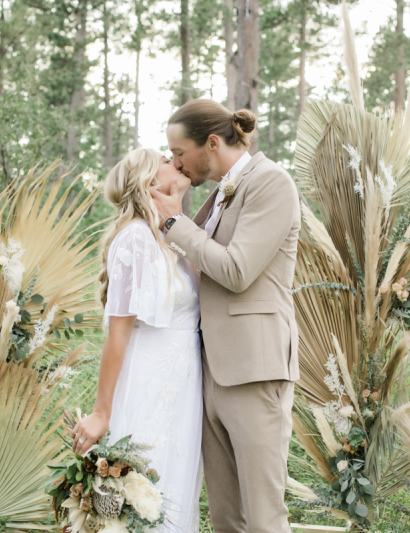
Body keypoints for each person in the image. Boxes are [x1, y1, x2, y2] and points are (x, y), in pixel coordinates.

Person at [150, 99, 301, 533]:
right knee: (226, 518)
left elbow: (237, 271)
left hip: (254, 369)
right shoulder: (218, 195)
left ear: (211, 143)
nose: (176, 162)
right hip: (210, 371)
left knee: (263, 517)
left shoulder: (272, 183)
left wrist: (175, 223)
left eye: (179, 152)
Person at [72, 148, 203, 532]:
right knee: (145, 496)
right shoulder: (134, 239)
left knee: (177, 493)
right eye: (166, 159)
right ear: (148, 181)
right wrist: (101, 412)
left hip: (184, 386)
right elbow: (118, 332)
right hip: (149, 382)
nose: (176, 161)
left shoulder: (170, 235)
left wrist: (175, 214)